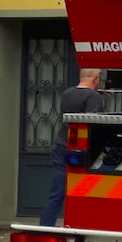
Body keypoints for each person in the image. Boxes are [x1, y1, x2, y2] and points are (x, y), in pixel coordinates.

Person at [39, 68, 105, 227]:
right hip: (81, 152)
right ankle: (80, 226)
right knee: (86, 193)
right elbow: (92, 126)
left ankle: (45, 228)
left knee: (56, 194)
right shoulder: (93, 96)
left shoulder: (68, 93)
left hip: (60, 145)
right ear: (96, 79)